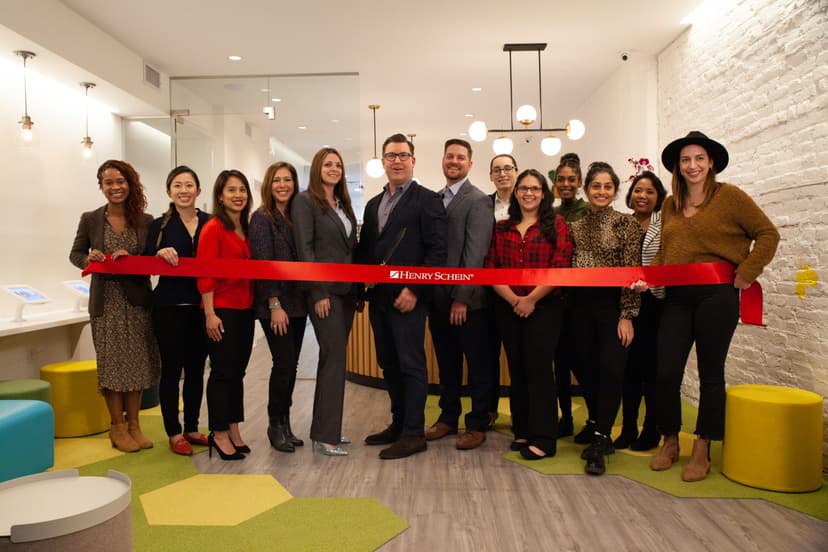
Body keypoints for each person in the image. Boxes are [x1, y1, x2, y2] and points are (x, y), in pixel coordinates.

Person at [648, 131, 779, 481]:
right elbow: (665, 252)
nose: (692, 165)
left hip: (716, 296)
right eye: (686, 160)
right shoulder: (670, 204)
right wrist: (648, 277)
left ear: (710, 163)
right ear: (678, 166)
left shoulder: (730, 197)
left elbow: (768, 234)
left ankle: (703, 446)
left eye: (699, 158)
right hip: (677, 297)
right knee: (666, 371)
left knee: (710, 373)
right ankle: (669, 439)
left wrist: (747, 272)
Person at [356, 133, 447, 460]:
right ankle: (398, 423)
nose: (397, 161)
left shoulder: (428, 200)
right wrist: (359, 288)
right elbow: (366, 251)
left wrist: (415, 290)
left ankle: (413, 433)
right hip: (379, 300)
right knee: (388, 364)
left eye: (403, 155)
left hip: (409, 300)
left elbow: (438, 252)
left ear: (413, 160)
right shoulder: (372, 205)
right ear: (383, 162)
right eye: (391, 156)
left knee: (411, 365)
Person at [69, 159, 160, 453]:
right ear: (101, 187)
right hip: (105, 302)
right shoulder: (90, 219)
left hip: (137, 302)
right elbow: (75, 254)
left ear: (129, 184)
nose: (115, 187)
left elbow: (152, 260)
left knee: (137, 365)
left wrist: (132, 261)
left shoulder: (145, 221)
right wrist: (90, 259)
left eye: (120, 181)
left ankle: (134, 426)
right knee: (111, 367)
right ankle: (117, 427)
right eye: (108, 182)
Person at [484, 169, 572, 459]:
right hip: (508, 306)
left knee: (538, 369)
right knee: (517, 368)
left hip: (545, 307)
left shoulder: (556, 225)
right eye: (524, 188)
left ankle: (544, 438)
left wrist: (531, 299)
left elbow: (560, 268)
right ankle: (522, 429)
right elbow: (491, 269)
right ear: (516, 192)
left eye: (535, 188)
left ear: (544, 194)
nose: (529, 193)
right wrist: (514, 300)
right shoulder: (502, 227)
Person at [569, 161, 642, 476]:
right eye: (596, 186)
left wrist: (627, 315)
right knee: (585, 368)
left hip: (612, 308)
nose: (601, 191)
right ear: (586, 190)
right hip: (579, 307)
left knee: (611, 370)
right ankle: (596, 420)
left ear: (614, 191)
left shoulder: (627, 225)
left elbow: (632, 272)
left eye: (607, 186)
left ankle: (601, 439)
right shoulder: (575, 226)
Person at [426, 139, 495, 450]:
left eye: (460, 157)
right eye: (449, 156)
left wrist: (461, 297)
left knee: (477, 366)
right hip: (438, 300)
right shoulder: (435, 199)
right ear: (443, 160)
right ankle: (448, 418)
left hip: (469, 303)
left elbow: (475, 253)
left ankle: (477, 423)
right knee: (447, 365)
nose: (454, 161)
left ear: (470, 163)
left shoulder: (478, 201)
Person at [291, 147, 359, 457]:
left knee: (333, 360)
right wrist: (317, 292)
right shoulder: (305, 202)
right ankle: (325, 436)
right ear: (318, 167)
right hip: (324, 294)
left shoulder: (343, 203)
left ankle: (326, 428)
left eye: (338, 164)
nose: (334, 168)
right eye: (328, 164)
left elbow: (349, 249)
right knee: (334, 359)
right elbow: (305, 250)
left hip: (346, 294)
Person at [145, 166, 211, 456]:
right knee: (172, 371)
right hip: (168, 307)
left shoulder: (211, 223)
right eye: (177, 185)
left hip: (203, 307)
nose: (184, 190)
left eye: (189, 185)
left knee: (197, 370)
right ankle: (173, 431)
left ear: (198, 190)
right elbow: (145, 259)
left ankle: (192, 427)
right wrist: (158, 253)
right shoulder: (159, 226)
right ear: (169, 192)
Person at [249, 161, 308, 453]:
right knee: (283, 363)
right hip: (275, 304)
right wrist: (274, 303)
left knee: (291, 364)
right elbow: (263, 263)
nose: (282, 185)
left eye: (287, 180)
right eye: (276, 180)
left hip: (298, 303)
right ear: (268, 186)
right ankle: (275, 424)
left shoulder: (296, 216)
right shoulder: (262, 218)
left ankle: (285, 423)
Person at [197, 169, 254, 461]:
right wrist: (210, 313)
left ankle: (233, 427)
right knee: (222, 371)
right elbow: (205, 272)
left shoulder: (245, 227)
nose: (238, 195)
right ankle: (218, 432)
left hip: (245, 309)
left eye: (242, 189)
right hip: (221, 309)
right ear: (220, 196)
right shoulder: (213, 227)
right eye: (231, 190)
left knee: (237, 372)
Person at [613, 171, 667, 451]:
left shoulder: (665, 224)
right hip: (626, 305)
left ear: (659, 197)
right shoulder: (622, 223)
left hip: (656, 305)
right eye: (638, 190)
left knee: (652, 371)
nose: (642, 196)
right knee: (628, 369)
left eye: (649, 191)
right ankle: (628, 427)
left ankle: (652, 429)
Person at [550, 153, 590, 441]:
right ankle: (565, 417)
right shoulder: (550, 214)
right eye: (561, 179)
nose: (566, 184)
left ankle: (594, 420)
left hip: (582, 298)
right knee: (560, 363)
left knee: (584, 362)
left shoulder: (588, 211)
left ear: (579, 182)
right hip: (555, 298)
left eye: (571, 180)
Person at [484, 154, 519, 427]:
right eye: (497, 170)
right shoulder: (482, 205)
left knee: (519, 357)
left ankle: (522, 415)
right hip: (487, 292)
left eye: (508, 168)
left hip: (521, 293)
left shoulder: (528, 203)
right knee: (487, 355)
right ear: (491, 176)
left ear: (516, 172)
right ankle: (488, 410)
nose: (502, 173)